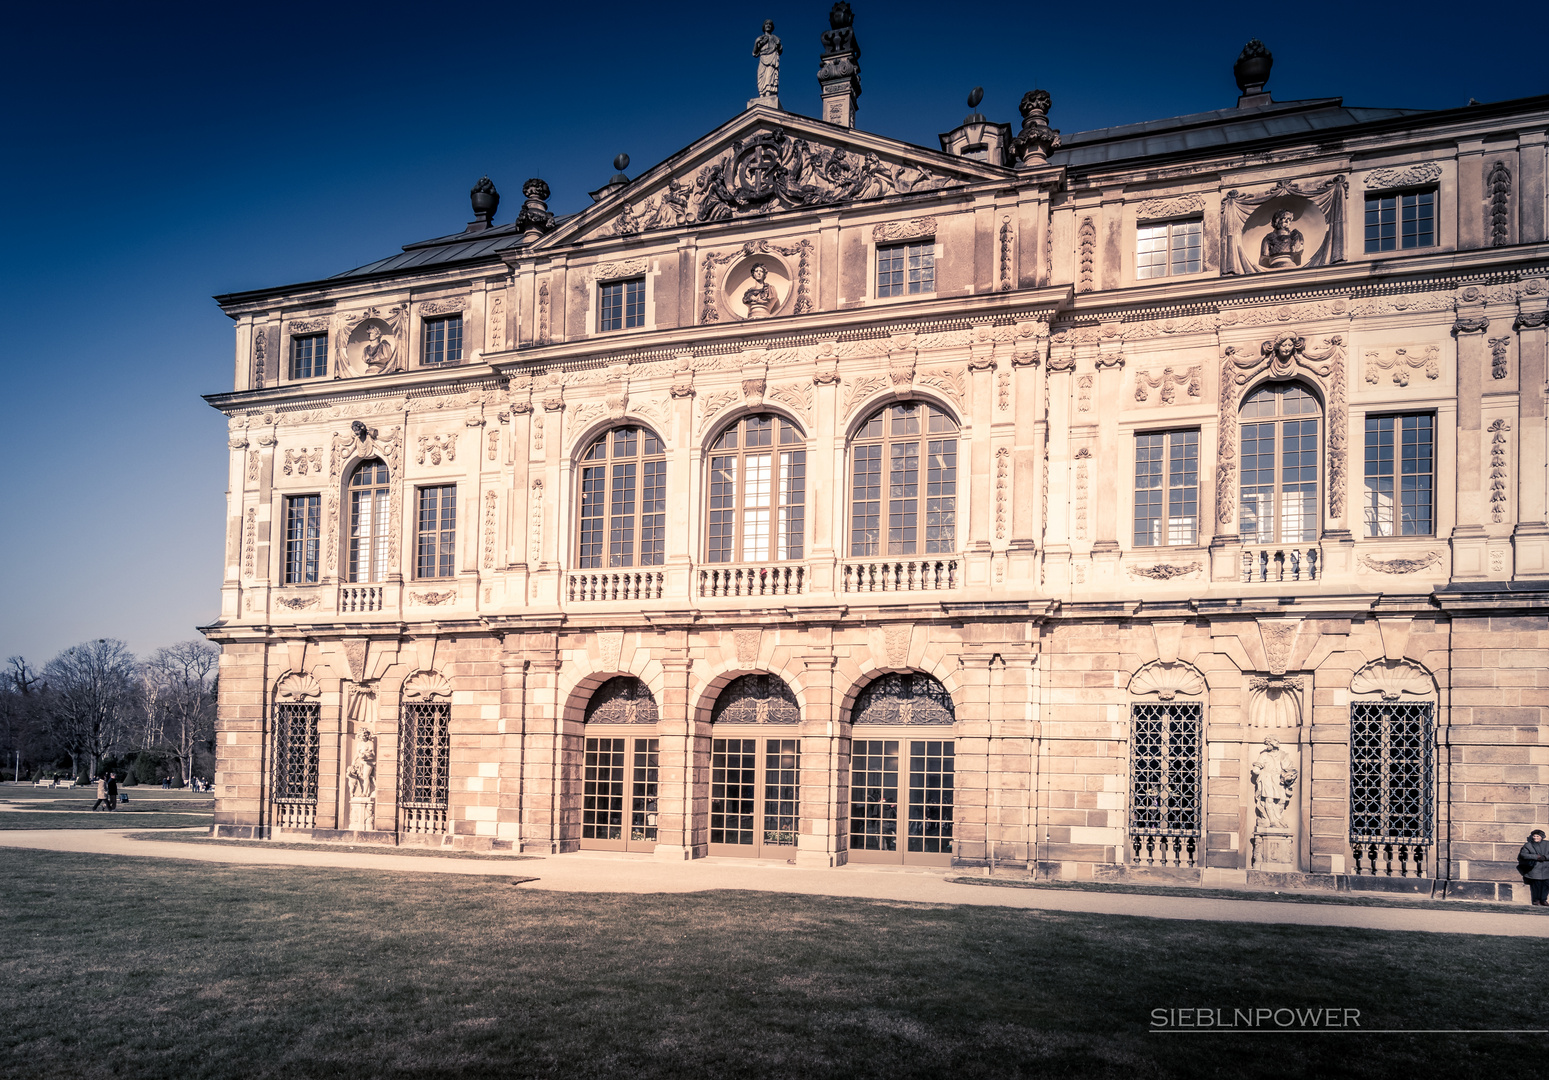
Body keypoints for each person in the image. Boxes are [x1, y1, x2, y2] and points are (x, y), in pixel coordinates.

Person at [1520, 829, 1549, 905]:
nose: (1535, 837)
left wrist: (1545, 857)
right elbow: (1523, 855)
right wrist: (1537, 857)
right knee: (1536, 885)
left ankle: (1543, 900)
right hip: (1535, 869)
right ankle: (1536, 900)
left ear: (1542, 837)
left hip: (1546, 870)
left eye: (1537, 836)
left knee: (1546, 885)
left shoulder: (1547, 844)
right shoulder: (1528, 845)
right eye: (1534, 836)